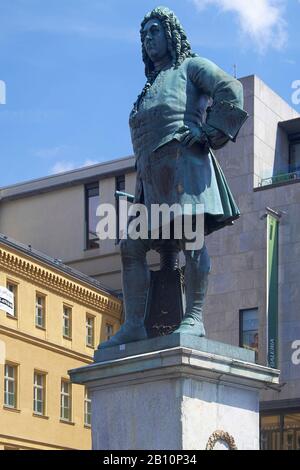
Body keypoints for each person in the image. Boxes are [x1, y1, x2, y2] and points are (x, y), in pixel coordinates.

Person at [100, 6, 248, 349]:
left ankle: (193, 317)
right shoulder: (149, 85)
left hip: (184, 168)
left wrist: (210, 133)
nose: (148, 39)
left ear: (170, 34)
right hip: (150, 177)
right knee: (132, 246)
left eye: (154, 31)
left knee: (191, 240)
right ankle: (135, 324)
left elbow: (231, 88)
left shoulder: (191, 67)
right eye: (144, 35)